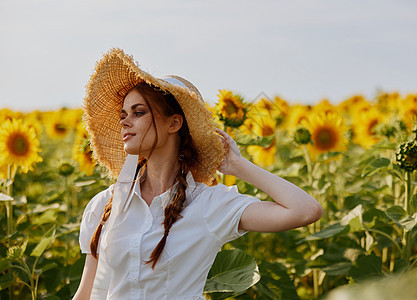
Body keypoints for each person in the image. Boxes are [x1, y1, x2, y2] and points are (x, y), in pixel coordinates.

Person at [73, 48, 322, 300]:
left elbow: (305, 211)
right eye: (123, 115)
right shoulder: (105, 205)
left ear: (174, 123)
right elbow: (86, 294)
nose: (125, 122)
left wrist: (239, 166)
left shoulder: (208, 205)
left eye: (139, 112)